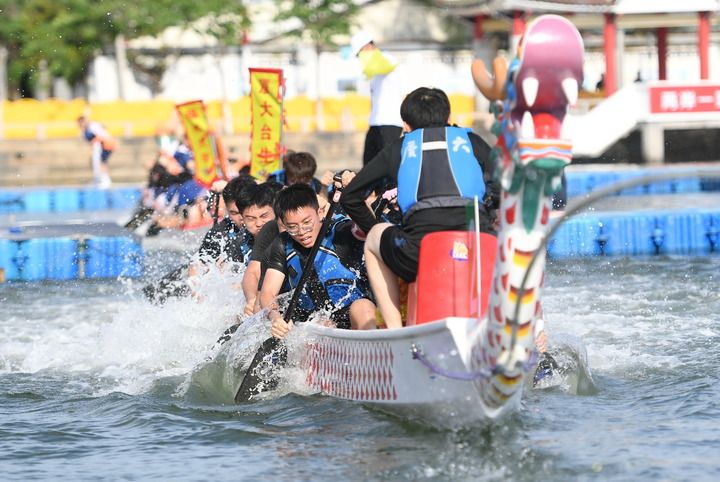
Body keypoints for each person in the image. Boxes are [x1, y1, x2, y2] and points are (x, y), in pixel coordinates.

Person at [340, 87, 500, 329]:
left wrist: (375, 227)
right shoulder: (471, 141)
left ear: (405, 125)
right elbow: (505, 188)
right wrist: (489, 209)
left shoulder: (399, 148)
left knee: (374, 238)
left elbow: (350, 196)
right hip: (476, 248)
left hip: (419, 254)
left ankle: (395, 331)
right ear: (449, 117)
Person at [259, 184, 376, 338]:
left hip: (355, 315)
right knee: (320, 323)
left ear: (320, 213)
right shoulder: (282, 243)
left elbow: (370, 229)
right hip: (315, 322)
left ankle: (374, 349)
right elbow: (267, 292)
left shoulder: (341, 231)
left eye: (307, 223)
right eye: (292, 227)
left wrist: (355, 190)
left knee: (363, 307)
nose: (302, 232)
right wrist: (275, 317)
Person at [350, 31, 405, 165]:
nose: (360, 58)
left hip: (390, 122)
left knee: (388, 164)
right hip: (375, 122)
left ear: (368, 46)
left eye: (360, 53)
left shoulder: (387, 60)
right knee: (369, 164)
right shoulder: (372, 70)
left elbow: (384, 66)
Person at [77, 115, 116, 188]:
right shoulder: (85, 130)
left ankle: (105, 180)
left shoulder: (93, 126)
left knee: (102, 162)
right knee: (96, 162)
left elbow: (101, 136)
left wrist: (94, 142)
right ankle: (98, 179)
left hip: (106, 144)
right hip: (99, 146)